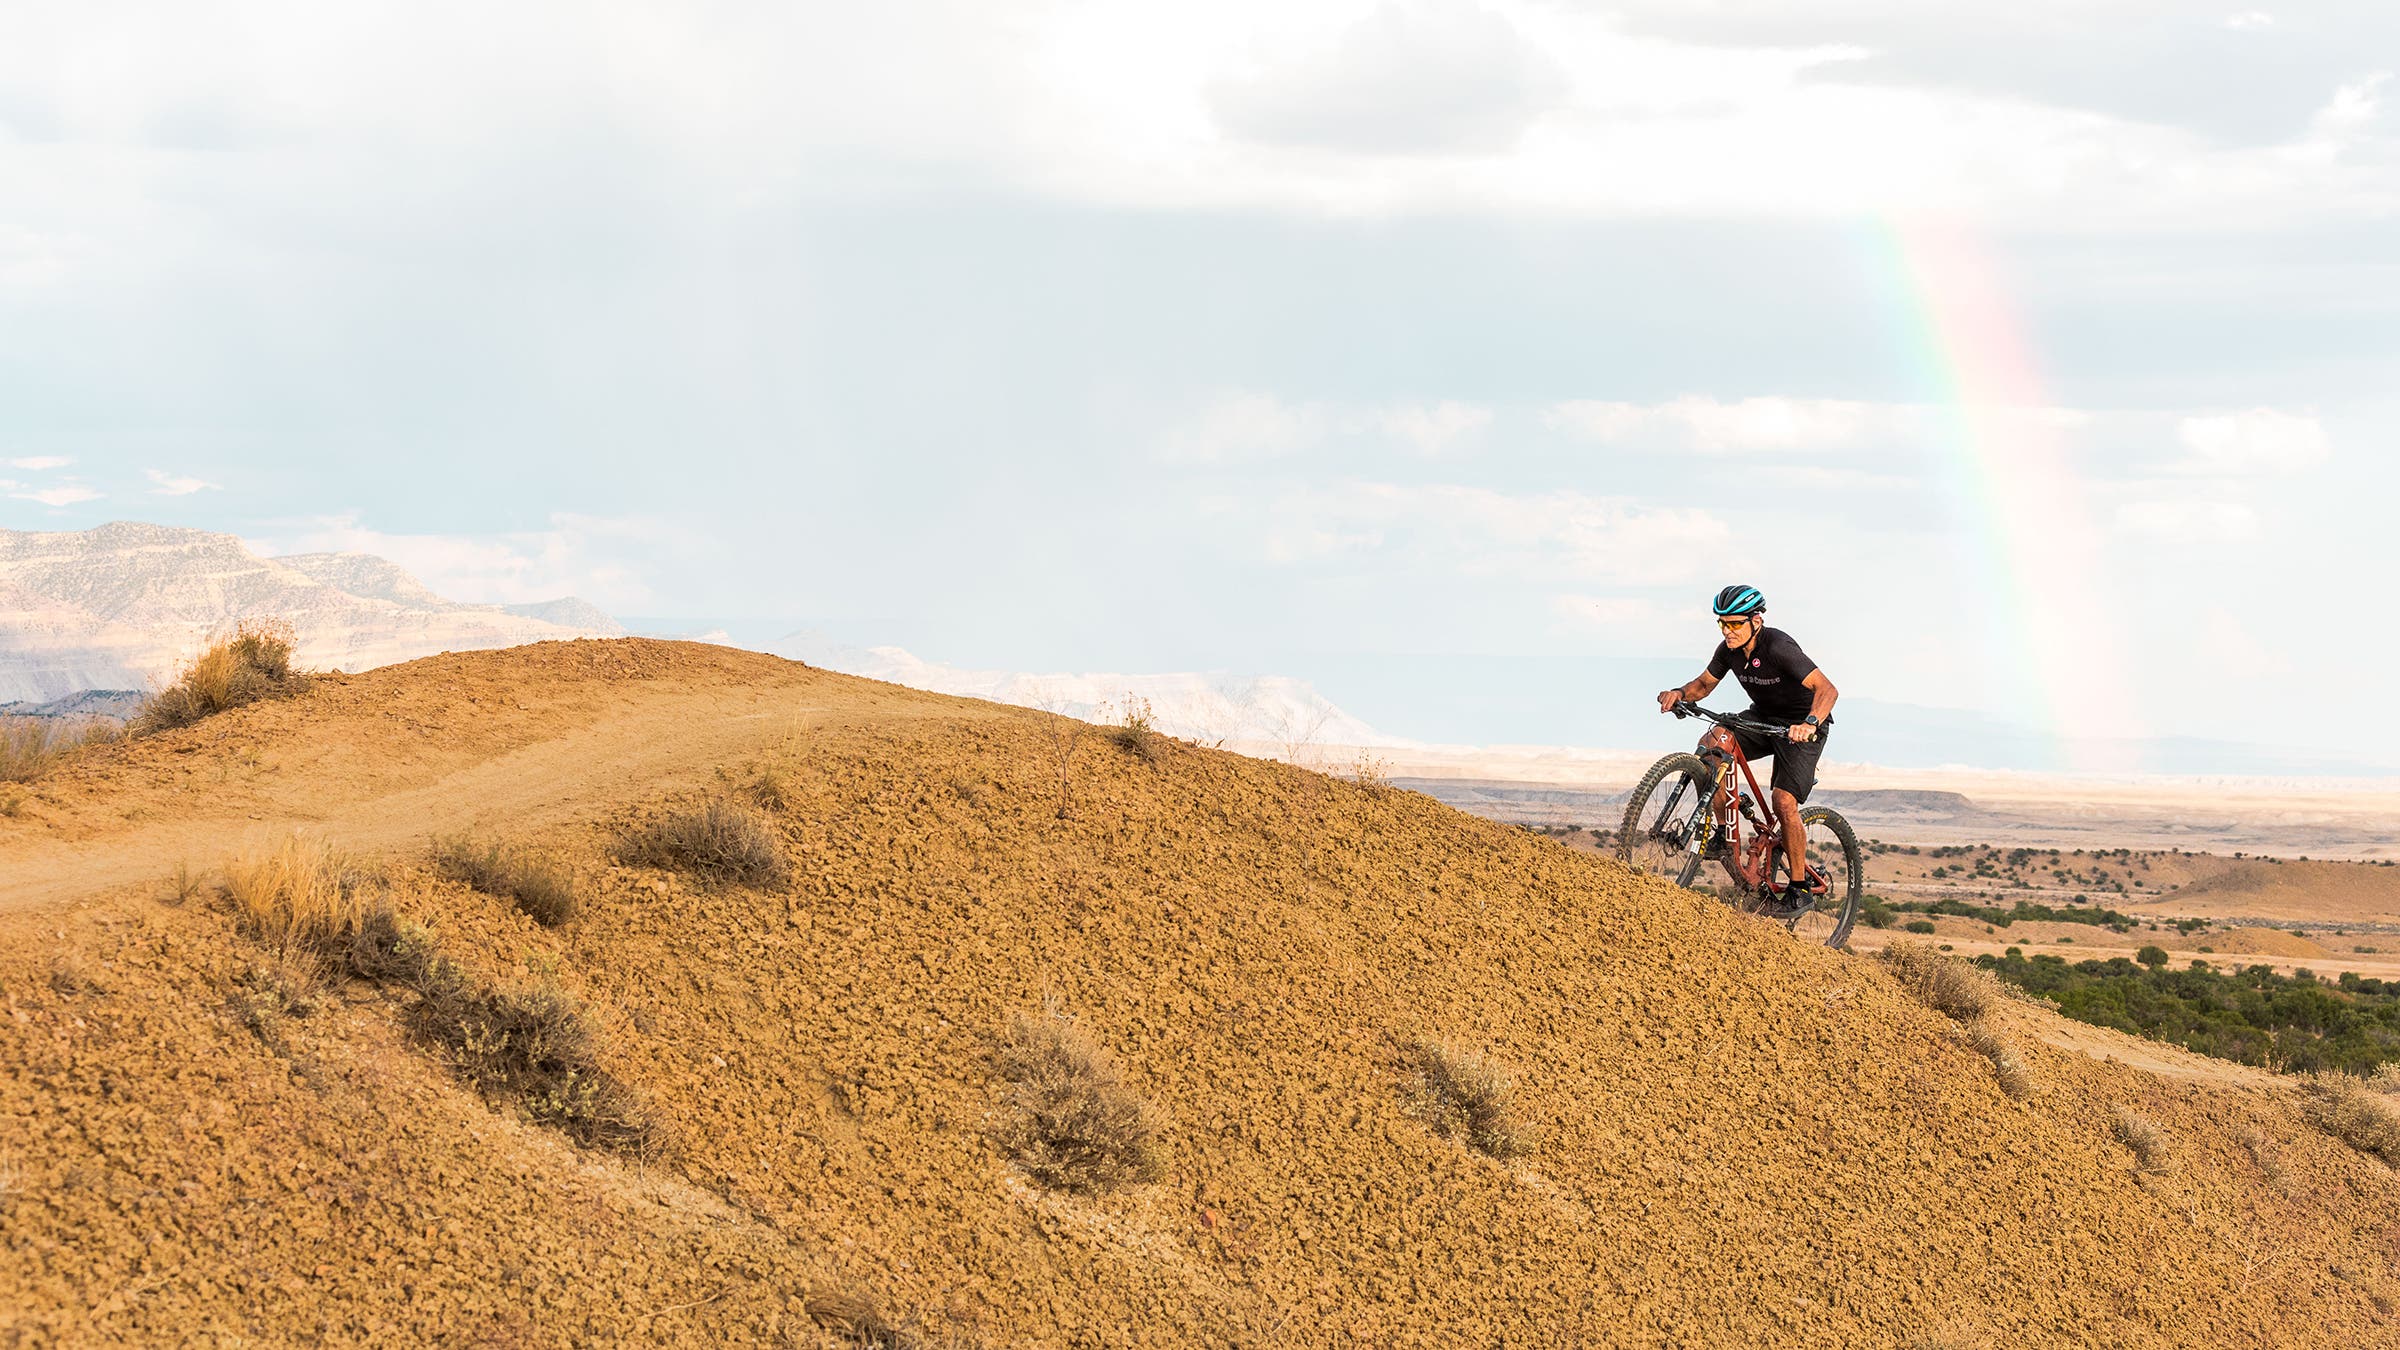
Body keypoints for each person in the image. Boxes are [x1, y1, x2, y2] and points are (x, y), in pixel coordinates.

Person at [1654, 584, 1839, 911]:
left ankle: (1799, 888)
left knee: (1783, 802)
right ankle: (1722, 834)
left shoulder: (1778, 647)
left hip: (1801, 726)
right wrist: (1678, 693)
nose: (1728, 630)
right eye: (1722, 623)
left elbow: (1827, 690)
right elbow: (1703, 685)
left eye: (1735, 623)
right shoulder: (1728, 650)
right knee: (1713, 743)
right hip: (1762, 719)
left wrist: (1809, 723)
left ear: (1757, 620)